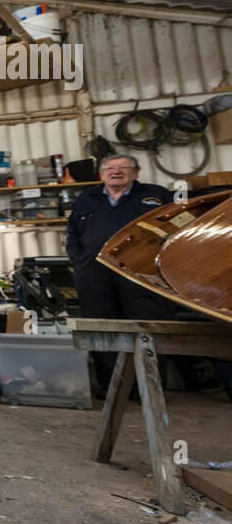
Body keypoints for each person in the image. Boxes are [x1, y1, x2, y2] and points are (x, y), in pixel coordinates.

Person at [66, 154, 174, 391]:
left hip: (141, 275)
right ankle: (111, 388)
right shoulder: (87, 197)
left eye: (123, 167)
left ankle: (149, 388)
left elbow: (177, 230)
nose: (116, 171)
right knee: (102, 330)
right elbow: (72, 233)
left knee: (145, 329)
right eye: (110, 168)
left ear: (135, 173)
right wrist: (80, 261)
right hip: (94, 275)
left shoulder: (156, 195)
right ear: (102, 174)